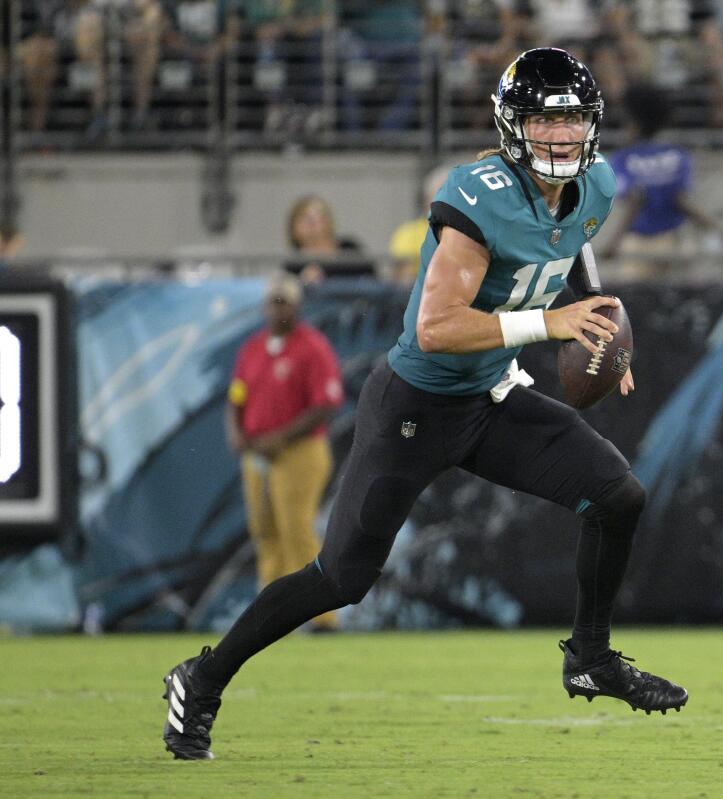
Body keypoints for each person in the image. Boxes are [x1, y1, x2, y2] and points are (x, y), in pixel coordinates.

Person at [161, 47, 687, 761]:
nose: (561, 137)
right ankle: (204, 676)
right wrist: (551, 323)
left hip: (493, 399)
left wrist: (597, 318)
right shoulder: (480, 193)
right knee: (341, 578)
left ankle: (590, 656)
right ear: (513, 125)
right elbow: (436, 328)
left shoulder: (595, 181)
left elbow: (574, 245)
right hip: (416, 405)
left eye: (572, 121)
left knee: (618, 495)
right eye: (543, 120)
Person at [226, 272, 343, 635]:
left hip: (299, 451)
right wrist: (235, 431)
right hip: (258, 454)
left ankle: (322, 616)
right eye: (273, 301)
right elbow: (236, 397)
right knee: (265, 531)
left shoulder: (311, 346)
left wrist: (280, 436)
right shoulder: (253, 348)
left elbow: (326, 403)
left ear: (297, 306)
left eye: (285, 302)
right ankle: (269, 612)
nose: (278, 309)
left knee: (296, 528)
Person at [602, 82, 723, 277]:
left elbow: (635, 199)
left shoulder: (624, 159)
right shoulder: (678, 156)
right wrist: (718, 229)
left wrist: (613, 244)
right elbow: (681, 201)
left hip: (639, 244)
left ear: (633, 122)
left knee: (637, 302)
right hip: (674, 240)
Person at [283, 195, 375, 282]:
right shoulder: (293, 265)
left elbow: (373, 282)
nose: (312, 222)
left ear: (329, 222)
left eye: (318, 215)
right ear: (293, 227)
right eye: (304, 217)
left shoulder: (350, 249)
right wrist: (304, 282)